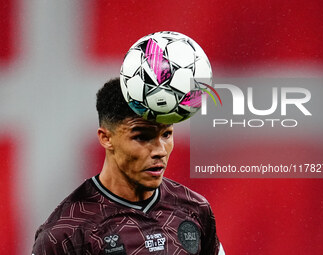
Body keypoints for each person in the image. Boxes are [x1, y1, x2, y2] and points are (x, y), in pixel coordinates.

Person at [32, 78, 225, 255]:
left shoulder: (195, 208)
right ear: (106, 138)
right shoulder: (64, 234)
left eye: (166, 134)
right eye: (142, 136)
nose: (160, 150)